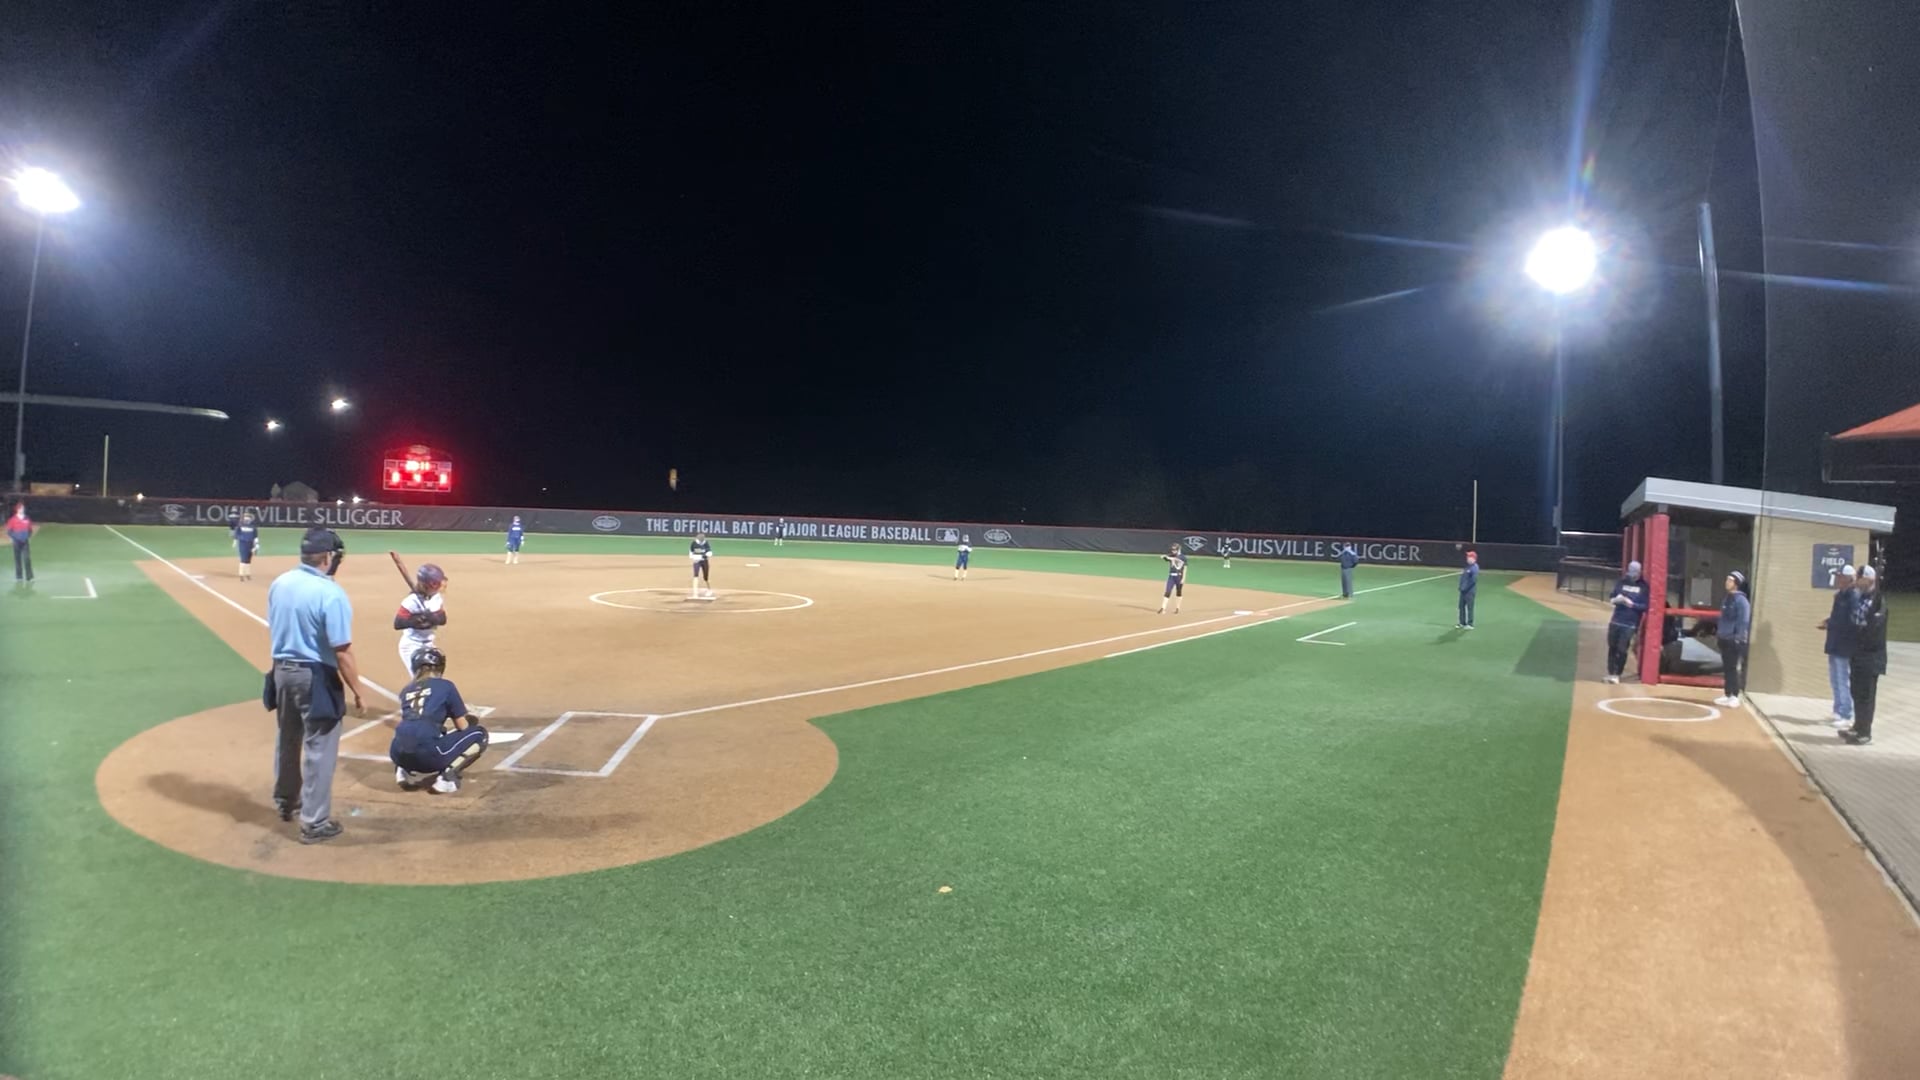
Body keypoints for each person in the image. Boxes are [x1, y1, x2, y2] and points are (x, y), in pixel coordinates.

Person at [265, 528, 366, 844]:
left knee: (288, 738)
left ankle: (286, 801)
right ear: (328, 557)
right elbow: (342, 650)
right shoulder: (330, 593)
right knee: (320, 749)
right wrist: (357, 690)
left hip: (281, 671)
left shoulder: (281, 582)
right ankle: (315, 823)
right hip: (314, 676)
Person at [389, 647, 489, 794]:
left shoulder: (406, 690)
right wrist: (472, 719)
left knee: (411, 733)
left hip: (397, 754)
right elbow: (462, 726)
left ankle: (403, 771)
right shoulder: (446, 686)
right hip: (428, 758)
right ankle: (447, 778)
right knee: (479, 734)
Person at [1842, 566, 1888, 746]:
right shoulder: (1861, 598)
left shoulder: (1878, 601)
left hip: (1870, 656)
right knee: (1856, 691)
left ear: (1869, 580)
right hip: (1857, 653)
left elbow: (1874, 628)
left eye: (1860, 578)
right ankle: (1858, 725)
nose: (1857, 582)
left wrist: (1859, 634)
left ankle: (1865, 732)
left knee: (1866, 695)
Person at [1817, 564, 1857, 729]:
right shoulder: (1839, 596)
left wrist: (1832, 624)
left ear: (1849, 579)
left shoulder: (1853, 596)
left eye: (1840, 577)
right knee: (1835, 679)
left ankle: (1847, 715)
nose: (1837, 579)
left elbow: (1851, 621)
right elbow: (1837, 617)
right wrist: (1828, 622)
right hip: (1834, 642)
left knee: (1843, 680)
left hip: (1845, 645)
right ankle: (1838, 711)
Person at [393, 564, 448, 677]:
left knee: (435, 678)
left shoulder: (436, 598)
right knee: (421, 679)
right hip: (411, 645)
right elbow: (398, 623)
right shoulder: (412, 601)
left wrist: (433, 617)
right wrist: (416, 620)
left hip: (429, 644)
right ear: (430, 584)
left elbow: (443, 619)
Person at [1603, 560, 1652, 683]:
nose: (1632, 574)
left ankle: (1617, 674)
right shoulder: (1621, 582)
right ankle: (1610, 672)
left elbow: (1645, 606)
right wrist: (1617, 600)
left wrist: (1632, 605)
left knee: (1622, 648)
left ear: (1640, 572)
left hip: (1630, 623)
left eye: (1635, 572)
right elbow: (1612, 597)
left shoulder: (1644, 587)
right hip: (1616, 620)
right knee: (1612, 647)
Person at [1715, 570, 1751, 708]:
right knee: (1727, 667)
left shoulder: (1741, 601)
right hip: (1724, 638)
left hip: (1734, 639)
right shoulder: (1727, 598)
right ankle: (1727, 693)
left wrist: (1739, 637)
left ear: (1736, 583)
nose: (1727, 582)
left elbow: (1744, 620)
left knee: (1733, 667)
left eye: (1730, 580)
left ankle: (1735, 695)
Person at [6, 501, 35, 584]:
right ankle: (19, 577)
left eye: (23, 508)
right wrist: (13, 538)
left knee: (27, 559)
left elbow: (30, 530)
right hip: (16, 542)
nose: (22, 509)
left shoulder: (27, 519)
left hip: (25, 542)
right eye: (20, 508)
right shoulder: (12, 520)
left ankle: (29, 577)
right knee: (17, 559)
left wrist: (27, 536)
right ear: (17, 509)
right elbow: (9, 531)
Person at [1157, 543, 1187, 615]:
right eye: (1172, 550)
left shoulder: (1183, 557)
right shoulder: (1171, 555)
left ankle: (1177, 608)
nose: (1173, 551)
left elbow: (1185, 568)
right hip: (1171, 577)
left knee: (1178, 592)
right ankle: (1163, 608)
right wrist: (1164, 557)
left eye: (1174, 550)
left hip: (1179, 577)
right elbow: (1166, 558)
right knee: (1168, 591)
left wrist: (1183, 578)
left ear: (1178, 550)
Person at [232, 512, 260, 582]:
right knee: (243, 559)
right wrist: (235, 542)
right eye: (245, 517)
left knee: (248, 560)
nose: (247, 518)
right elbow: (236, 534)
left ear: (250, 519)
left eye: (248, 517)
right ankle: (241, 575)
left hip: (251, 544)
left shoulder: (253, 527)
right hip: (243, 543)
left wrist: (257, 544)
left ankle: (247, 574)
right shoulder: (240, 525)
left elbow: (255, 536)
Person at [1456, 550, 1479, 630]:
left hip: (1470, 591)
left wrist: (1464, 588)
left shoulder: (1475, 567)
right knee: (1461, 607)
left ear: (1474, 558)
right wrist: (1460, 586)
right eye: (1467, 556)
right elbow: (1463, 578)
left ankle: (1470, 624)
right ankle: (1462, 622)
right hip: (1463, 591)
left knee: (1469, 607)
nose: (1467, 558)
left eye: (1469, 557)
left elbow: (1473, 581)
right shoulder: (1467, 567)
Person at [690, 531, 714, 597]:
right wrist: (694, 558)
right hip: (696, 562)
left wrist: (704, 556)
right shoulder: (694, 543)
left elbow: (710, 553)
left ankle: (709, 589)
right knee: (695, 576)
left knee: (706, 577)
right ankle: (695, 592)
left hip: (704, 561)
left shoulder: (706, 543)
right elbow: (691, 552)